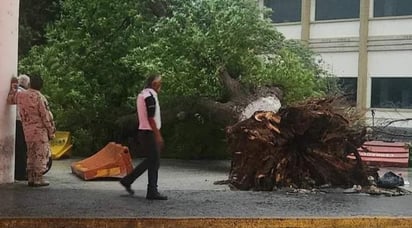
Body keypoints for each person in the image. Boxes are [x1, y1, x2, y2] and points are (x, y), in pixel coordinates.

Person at [120, 74, 167, 200]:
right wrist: (158, 135)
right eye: (159, 83)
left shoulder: (143, 94)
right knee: (154, 161)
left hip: (144, 132)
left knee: (152, 161)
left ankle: (133, 182)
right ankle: (151, 190)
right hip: (149, 132)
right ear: (154, 84)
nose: (160, 86)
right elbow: (151, 118)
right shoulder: (150, 97)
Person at [8, 74, 56, 187]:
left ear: (30, 84)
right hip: (39, 130)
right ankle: (38, 178)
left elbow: (10, 100)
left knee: (30, 153)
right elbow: (45, 116)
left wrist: (13, 86)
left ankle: (30, 177)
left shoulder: (21, 95)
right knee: (41, 154)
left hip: (26, 129)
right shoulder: (39, 97)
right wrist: (51, 131)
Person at [14, 75, 30, 181]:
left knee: (16, 147)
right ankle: (21, 173)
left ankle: (15, 171)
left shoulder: (15, 91)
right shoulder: (25, 94)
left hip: (12, 122)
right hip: (20, 122)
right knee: (22, 148)